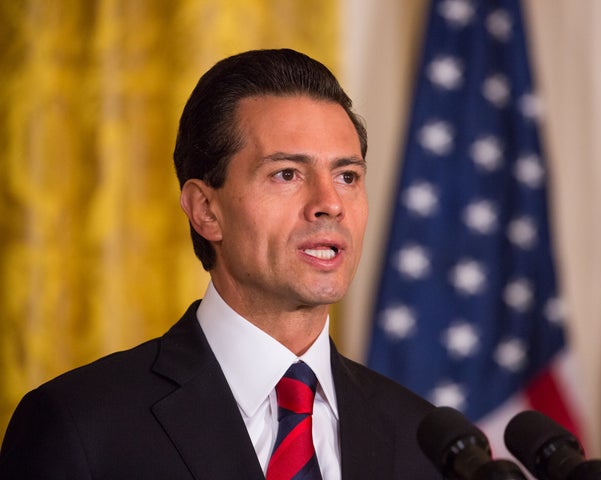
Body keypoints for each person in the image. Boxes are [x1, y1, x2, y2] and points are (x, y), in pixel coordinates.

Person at [0, 49, 442, 479]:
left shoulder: (423, 440)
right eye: (287, 174)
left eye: (347, 177)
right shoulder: (80, 426)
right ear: (206, 210)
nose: (330, 204)